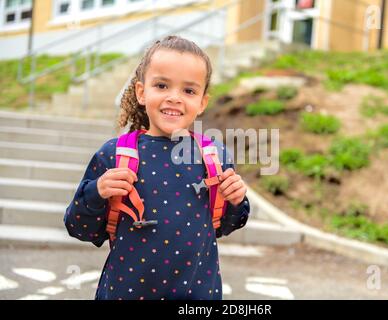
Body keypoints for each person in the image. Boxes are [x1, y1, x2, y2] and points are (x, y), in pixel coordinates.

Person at [64, 35, 250, 300]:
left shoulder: (215, 157)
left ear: (202, 102)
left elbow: (226, 226)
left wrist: (236, 200)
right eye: (162, 85)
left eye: (188, 91)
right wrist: (97, 192)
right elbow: (80, 228)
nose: (174, 98)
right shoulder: (114, 155)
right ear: (142, 92)